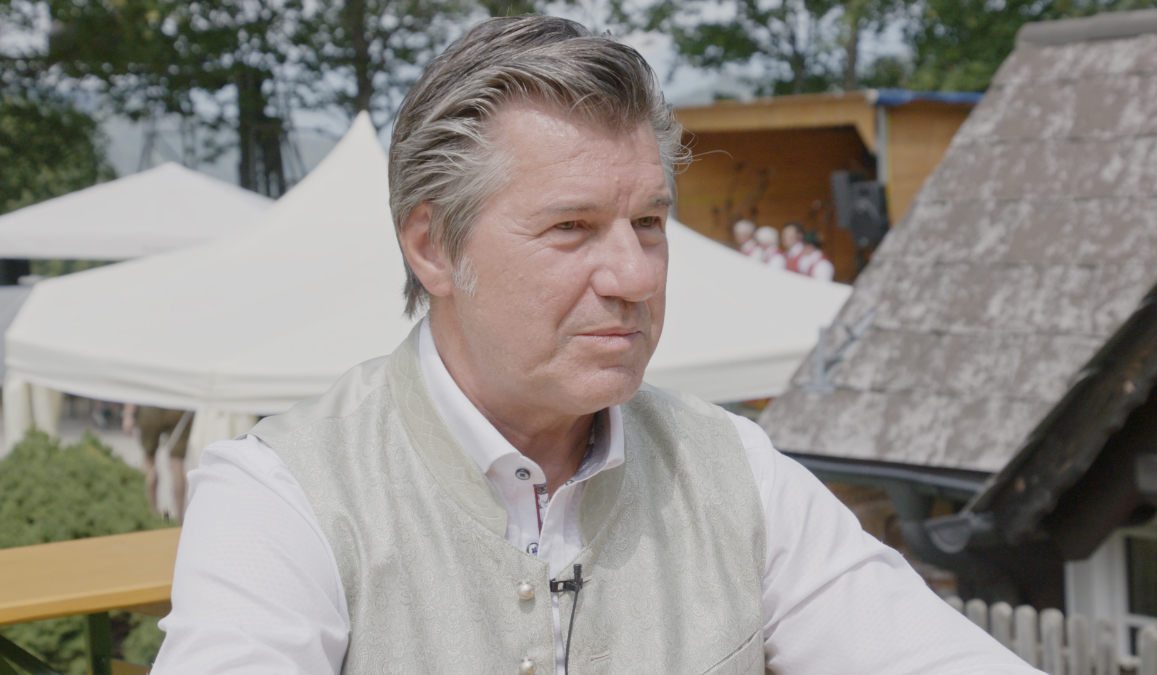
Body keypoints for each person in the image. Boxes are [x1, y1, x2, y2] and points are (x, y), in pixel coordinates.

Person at [153, 16, 1041, 675]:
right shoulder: (287, 493)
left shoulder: (733, 469)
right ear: (433, 247)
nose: (636, 273)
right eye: (571, 227)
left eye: (650, 221)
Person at [122, 403, 192, 519]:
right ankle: (179, 519)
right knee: (177, 463)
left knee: (149, 460)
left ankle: (151, 514)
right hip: (179, 406)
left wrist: (128, 415)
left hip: (151, 405)